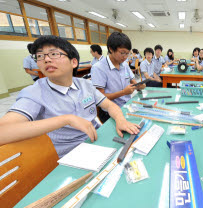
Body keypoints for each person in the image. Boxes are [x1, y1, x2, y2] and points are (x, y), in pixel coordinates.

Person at [0, 35, 140, 158]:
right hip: (68, 156)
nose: (46, 59)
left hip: (97, 143)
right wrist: (67, 119)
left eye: (54, 54)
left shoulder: (85, 85)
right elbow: (3, 132)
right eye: (40, 56)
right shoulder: (34, 93)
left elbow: (109, 105)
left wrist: (120, 119)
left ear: (73, 62)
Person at [91, 32, 146, 123]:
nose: (125, 57)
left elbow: (133, 82)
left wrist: (139, 86)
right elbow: (100, 97)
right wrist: (123, 92)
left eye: (127, 53)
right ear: (111, 49)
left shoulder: (124, 64)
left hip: (127, 106)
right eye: (122, 53)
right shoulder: (99, 68)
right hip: (110, 113)